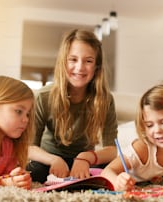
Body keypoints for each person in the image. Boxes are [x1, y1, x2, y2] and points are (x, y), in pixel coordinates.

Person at [27, 29, 118, 183]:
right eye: (73, 59)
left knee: (112, 169)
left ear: (96, 67)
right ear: (64, 62)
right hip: (49, 160)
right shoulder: (43, 97)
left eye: (88, 61)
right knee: (34, 172)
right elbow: (28, 147)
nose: (80, 67)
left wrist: (86, 157)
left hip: (84, 162)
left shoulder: (105, 99)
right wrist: (53, 160)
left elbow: (112, 150)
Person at [101, 82, 163, 191]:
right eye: (149, 125)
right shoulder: (142, 148)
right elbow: (106, 172)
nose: (157, 130)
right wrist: (117, 181)